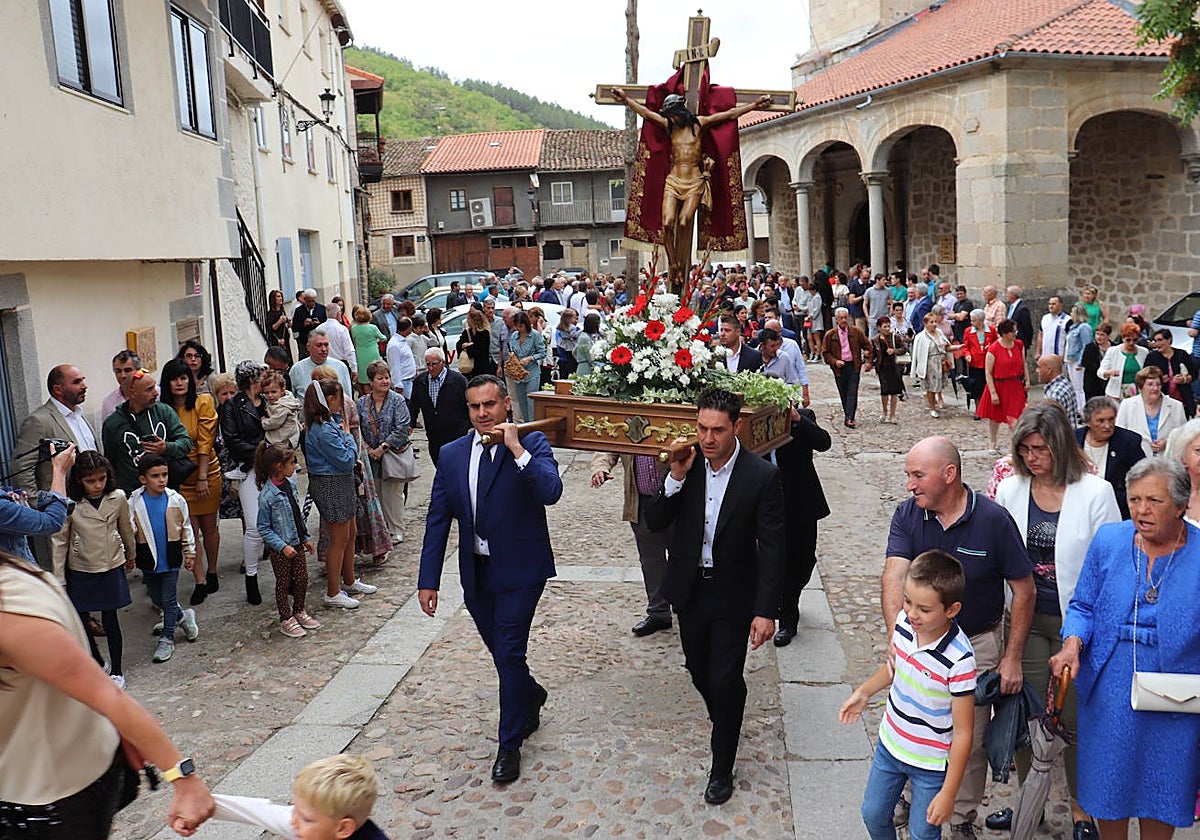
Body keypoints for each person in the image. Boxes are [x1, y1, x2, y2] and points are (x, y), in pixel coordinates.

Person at [0, 550, 216, 838]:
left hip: (51, 795)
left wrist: (183, 778)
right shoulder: (14, 573)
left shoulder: (10, 613)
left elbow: (106, 694)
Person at [883, 436, 1035, 837]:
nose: (910, 485)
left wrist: (1012, 656)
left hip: (978, 644)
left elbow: (1024, 588)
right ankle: (915, 799)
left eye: (917, 475)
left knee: (972, 739)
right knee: (917, 723)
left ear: (948, 474)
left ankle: (963, 816)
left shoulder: (993, 521)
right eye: (908, 475)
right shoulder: (908, 515)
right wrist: (896, 639)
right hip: (921, 643)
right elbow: (895, 574)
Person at [418, 375, 563, 784]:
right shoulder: (451, 454)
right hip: (476, 574)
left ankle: (509, 744)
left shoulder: (531, 444)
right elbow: (437, 520)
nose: (483, 414)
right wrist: (428, 579)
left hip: (521, 570)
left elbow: (551, 491)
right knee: (503, 655)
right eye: (475, 407)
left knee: (510, 652)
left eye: (490, 405)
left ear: (506, 406)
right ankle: (531, 694)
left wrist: (516, 448)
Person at [645, 388, 785, 805]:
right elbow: (654, 521)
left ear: (736, 427)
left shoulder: (761, 476)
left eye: (717, 430)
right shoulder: (687, 467)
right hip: (690, 590)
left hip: (734, 593)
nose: (708, 438)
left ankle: (721, 764)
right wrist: (674, 477)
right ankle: (729, 708)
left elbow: (774, 548)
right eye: (702, 428)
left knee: (723, 678)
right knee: (699, 672)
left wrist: (766, 611)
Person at [1050, 458, 1200, 838]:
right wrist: (1072, 644)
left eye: (1154, 501)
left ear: (1182, 505)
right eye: (1134, 500)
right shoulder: (1109, 541)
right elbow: (1083, 604)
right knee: (1107, 783)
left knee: (1162, 787)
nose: (1141, 510)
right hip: (1111, 681)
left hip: (1176, 693)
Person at [990, 402, 1120, 836]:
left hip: (1078, 627)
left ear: (1060, 446)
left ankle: (1083, 810)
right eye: (1024, 448)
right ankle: (1032, 803)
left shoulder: (1095, 493)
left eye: (1040, 448)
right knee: (1026, 716)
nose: (1032, 457)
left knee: (1075, 721)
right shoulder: (1011, 489)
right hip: (1024, 620)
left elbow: (1113, 564)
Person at [841, 550, 976, 840]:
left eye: (924, 609)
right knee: (873, 814)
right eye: (908, 602)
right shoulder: (904, 623)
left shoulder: (960, 660)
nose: (913, 614)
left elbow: (965, 733)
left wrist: (949, 794)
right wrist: (864, 691)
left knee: (922, 834)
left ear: (951, 610)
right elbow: (895, 668)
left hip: (931, 764)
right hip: (890, 746)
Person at [610, 87, 772, 291]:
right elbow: (646, 114)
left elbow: (728, 115)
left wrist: (755, 106)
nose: (670, 118)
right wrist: (625, 99)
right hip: (673, 180)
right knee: (667, 223)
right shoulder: (669, 126)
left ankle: (680, 262)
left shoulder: (699, 124)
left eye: (672, 115)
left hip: (694, 181)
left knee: (685, 221)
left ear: (680, 112)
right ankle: (673, 263)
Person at [52, 451, 136, 688]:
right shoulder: (69, 504)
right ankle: (97, 662)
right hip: (81, 568)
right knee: (80, 618)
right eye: (91, 480)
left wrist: (131, 555)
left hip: (110, 565)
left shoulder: (117, 497)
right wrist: (59, 577)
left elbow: (126, 529)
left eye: (101, 478)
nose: (97, 485)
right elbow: (60, 541)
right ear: (79, 479)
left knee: (111, 619)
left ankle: (117, 671)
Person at [304, 379, 373, 609]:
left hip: (341, 483)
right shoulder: (321, 429)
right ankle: (333, 591)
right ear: (330, 399)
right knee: (339, 539)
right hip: (331, 484)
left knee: (350, 533)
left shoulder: (329, 422)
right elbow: (345, 459)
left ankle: (350, 579)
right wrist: (349, 440)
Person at [589, 450, 673, 637]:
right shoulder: (627, 420)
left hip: (677, 498)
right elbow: (608, 446)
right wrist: (600, 468)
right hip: (642, 501)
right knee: (651, 561)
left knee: (684, 556)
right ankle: (659, 613)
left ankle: (688, 608)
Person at [160, 358, 222, 606]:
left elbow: (205, 441)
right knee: (190, 530)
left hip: (207, 470)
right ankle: (199, 580)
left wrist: (203, 476)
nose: (179, 383)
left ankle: (213, 570)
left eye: (183, 377)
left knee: (210, 528)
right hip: (179, 474)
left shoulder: (202, 402)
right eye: (175, 378)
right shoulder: (163, 409)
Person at [208, 754, 389, 840]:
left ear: (343, 828)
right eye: (295, 809)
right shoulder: (318, 826)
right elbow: (263, 813)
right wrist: (208, 805)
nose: (293, 820)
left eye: (305, 818)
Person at [130, 453, 199, 663]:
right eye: (155, 476)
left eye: (165, 475)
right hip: (148, 558)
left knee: (168, 598)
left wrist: (190, 553)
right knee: (157, 598)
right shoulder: (134, 501)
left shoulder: (176, 500)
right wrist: (129, 554)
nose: (161, 480)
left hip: (170, 556)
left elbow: (185, 528)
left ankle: (167, 637)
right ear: (143, 479)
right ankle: (182, 616)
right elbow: (129, 529)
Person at [773, 407, 831, 647]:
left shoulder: (803, 417)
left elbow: (823, 442)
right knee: (779, 563)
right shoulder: (749, 424)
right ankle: (787, 619)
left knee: (803, 561)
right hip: (770, 504)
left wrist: (797, 419)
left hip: (801, 503)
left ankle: (791, 592)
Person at [254, 442, 320, 639]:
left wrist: (305, 537)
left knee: (302, 578)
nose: (295, 467)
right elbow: (264, 528)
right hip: (281, 549)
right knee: (283, 583)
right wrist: (282, 547)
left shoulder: (290, 485)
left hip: (296, 542)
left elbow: (296, 515)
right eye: (292, 463)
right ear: (278, 466)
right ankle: (286, 617)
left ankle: (299, 610)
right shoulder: (267, 496)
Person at [101, 366, 192, 496]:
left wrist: (166, 447)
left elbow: (186, 443)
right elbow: (110, 462)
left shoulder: (164, 412)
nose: (156, 393)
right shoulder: (113, 424)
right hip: (131, 496)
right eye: (149, 389)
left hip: (166, 493)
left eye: (154, 387)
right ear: (133, 393)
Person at [219, 360, 267, 604]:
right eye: (260, 375)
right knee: (254, 527)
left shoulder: (269, 399)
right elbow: (233, 441)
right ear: (251, 379)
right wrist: (262, 450)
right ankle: (251, 577)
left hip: (276, 466)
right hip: (249, 468)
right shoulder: (232, 407)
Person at [357, 361, 412, 545]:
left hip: (392, 454)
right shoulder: (362, 403)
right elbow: (357, 427)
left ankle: (396, 529)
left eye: (387, 377)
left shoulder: (397, 400)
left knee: (394, 494)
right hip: (371, 456)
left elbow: (402, 427)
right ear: (371, 381)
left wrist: (383, 447)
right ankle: (382, 529)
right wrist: (366, 448)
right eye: (380, 378)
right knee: (377, 494)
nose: (385, 381)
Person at [1077, 395, 1145, 520]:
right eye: (1101, 421)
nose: (1107, 425)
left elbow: (1143, 477)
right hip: (1080, 508)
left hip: (1118, 509)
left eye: (1111, 419)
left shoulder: (1129, 441)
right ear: (1088, 422)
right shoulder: (1074, 440)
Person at [410, 348, 470, 468]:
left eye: (434, 364)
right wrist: (411, 423)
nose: (431, 368)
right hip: (434, 435)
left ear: (443, 362)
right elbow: (414, 405)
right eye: (428, 364)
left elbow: (468, 406)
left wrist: (465, 428)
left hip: (456, 435)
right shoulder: (420, 382)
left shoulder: (458, 381)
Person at [978, 318, 1028, 453]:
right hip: (999, 385)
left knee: (1017, 417)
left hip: (1015, 385)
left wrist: (1027, 380)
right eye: (1012, 331)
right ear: (1004, 333)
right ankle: (992, 442)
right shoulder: (993, 349)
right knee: (995, 417)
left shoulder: (1019, 345)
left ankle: (1015, 444)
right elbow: (988, 372)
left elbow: (1024, 363)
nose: (1015, 333)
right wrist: (993, 392)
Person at [1117, 366, 1187, 458]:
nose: (1155, 388)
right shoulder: (1127, 405)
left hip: (1167, 461)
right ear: (1140, 387)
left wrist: (1168, 443)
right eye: (1150, 385)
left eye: (1158, 384)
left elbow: (1183, 435)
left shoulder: (1176, 406)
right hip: (1136, 460)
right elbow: (1120, 434)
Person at [822, 306, 873, 429]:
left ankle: (850, 417)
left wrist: (868, 360)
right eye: (841, 318)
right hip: (839, 368)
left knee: (852, 391)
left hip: (853, 365)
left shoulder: (856, 332)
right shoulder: (830, 335)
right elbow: (825, 353)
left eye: (845, 318)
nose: (844, 320)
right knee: (843, 391)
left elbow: (868, 346)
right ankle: (847, 414)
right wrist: (835, 361)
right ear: (836, 319)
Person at [911, 312, 956, 419]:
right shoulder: (921, 337)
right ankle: (932, 407)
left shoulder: (939, 333)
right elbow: (917, 353)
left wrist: (958, 348)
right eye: (931, 322)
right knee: (930, 387)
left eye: (935, 321)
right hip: (929, 363)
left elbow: (946, 347)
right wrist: (919, 369)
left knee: (938, 386)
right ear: (925, 324)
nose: (934, 324)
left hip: (940, 362)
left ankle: (936, 400)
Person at [1145, 327, 1197, 419]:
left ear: (1169, 340)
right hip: (1161, 399)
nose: (1157, 344)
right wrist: (1159, 379)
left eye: (1160, 340)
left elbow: (1194, 373)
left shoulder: (1182, 354)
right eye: (1155, 341)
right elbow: (1145, 376)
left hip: (1182, 399)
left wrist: (1184, 379)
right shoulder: (1152, 357)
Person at [507, 309, 545, 423]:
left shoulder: (535, 335)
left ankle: (533, 424)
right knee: (521, 402)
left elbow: (542, 352)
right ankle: (525, 424)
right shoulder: (514, 336)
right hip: (518, 374)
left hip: (532, 372)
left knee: (531, 402)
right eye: (517, 326)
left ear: (526, 324)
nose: (518, 329)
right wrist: (513, 356)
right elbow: (512, 349)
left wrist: (530, 358)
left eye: (521, 326)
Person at [291, 330, 354, 399]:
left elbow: (348, 396)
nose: (324, 349)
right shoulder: (297, 369)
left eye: (326, 345)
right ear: (308, 347)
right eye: (319, 345)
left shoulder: (341, 367)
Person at [1098, 322, 1149, 400]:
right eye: (1128, 340)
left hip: (1137, 393)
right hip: (1116, 393)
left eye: (1135, 340)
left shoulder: (1144, 352)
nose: (1131, 343)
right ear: (1122, 338)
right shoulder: (1113, 351)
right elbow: (1100, 371)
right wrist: (1109, 373)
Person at [960, 310, 996, 415]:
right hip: (975, 364)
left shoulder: (991, 330)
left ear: (980, 321)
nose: (972, 323)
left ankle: (988, 408)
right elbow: (965, 347)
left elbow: (996, 344)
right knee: (976, 387)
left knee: (987, 386)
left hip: (987, 363)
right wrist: (967, 355)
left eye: (974, 321)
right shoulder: (968, 331)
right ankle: (978, 409)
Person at [871, 318, 906, 423]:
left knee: (894, 392)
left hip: (894, 366)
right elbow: (872, 354)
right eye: (884, 326)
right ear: (879, 328)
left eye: (888, 326)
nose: (887, 329)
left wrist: (894, 351)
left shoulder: (895, 337)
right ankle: (885, 412)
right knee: (884, 391)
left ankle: (893, 414)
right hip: (882, 368)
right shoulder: (875, 340)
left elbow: (904, 348)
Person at [260, 369, 302, 450]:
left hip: (284, 439)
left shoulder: (283, 406)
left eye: (273, 392)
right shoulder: (281, 400)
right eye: (266, 393)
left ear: (282, 390)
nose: (270, 395)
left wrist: (264, 422)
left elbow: (275, 422)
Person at [350, 305, 388, 393]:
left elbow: (354, 340)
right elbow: (383, 338)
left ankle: (367, 398)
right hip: (372, 352)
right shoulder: (373, 328)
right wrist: (376, 340)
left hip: (360, 354)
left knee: (364, 379)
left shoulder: (354, 328)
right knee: (375, 372)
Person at [1064, 303, 1094, 411]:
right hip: (1071, 360)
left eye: (1072, 312)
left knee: (1080, 387)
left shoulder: (1084, 327)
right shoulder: (1073, 327)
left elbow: (1085, 345)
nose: (1070, 314)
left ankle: (1082, 409)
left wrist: (1081, 362)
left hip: (1077, 360)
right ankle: (1078, 408)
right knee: (1075, 386)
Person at [1037, 354, 1080, 428]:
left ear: (1049, 370)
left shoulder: (1055, 395)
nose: (1037, 371)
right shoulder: (1065, 383)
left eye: (1039, 367)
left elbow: (1049, 424)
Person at [101, 350, 142, 420]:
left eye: (127, 370)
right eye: (118, 371)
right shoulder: (108, 402)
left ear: (138, 371)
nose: (123, 375)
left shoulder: (155, 394)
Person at [456, 307, 493, 380]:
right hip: (468, 368)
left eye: (468, 319)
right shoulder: (467, 332)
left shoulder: (484, 333)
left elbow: (480, 350)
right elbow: (459, 345)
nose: (467, 321)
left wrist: (467, 346)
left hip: (481, 367)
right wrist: (467, 346)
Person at [1081, 321, 1114, 402]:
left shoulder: (1114, 348)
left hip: (1108, 384)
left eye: (1102, 335)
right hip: (1093, 384)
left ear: (1108, 336)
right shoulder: (1090, 347)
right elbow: (1085, 362)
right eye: (1097, 334)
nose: (1099, 337)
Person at [292, 289, 327, 359]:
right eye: (309, 301)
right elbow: (294, 327)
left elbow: (326, 324)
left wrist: (318, 324)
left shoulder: (322, 309)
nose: (311, 303)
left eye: (313, 301)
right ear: (304, 300)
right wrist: (303, 324)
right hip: (304, 342)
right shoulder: (299, 311)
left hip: (318, 340)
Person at [266, 288, 292, 363]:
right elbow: (272, 328)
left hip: (285, 339)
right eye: (278, 296)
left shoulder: (282, 312)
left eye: (281, 296)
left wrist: (288, 323)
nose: (280, 298)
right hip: (278, 341)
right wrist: (280, 321)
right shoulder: (271, 314)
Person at [554, 308, 581, 379]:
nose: (576, 321)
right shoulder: (572, 327)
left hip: (564, 354)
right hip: (571, 352)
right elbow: (574, 335)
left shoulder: (561, 328)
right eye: (574, 318)